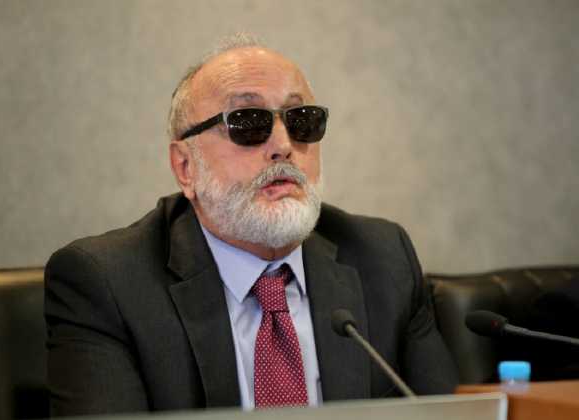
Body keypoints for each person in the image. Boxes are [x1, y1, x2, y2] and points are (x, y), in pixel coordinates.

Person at [45, 34, 457, 416]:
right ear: (185, 167)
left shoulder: (384, 260)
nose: (283, 146)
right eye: (248, 123)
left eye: (302, 121)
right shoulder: (107, 284)